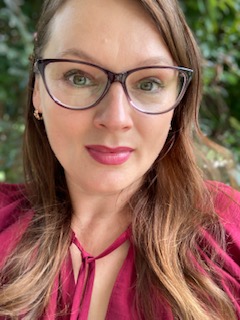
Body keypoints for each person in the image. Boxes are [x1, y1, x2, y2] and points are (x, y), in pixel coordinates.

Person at [0, 0, 239, 319]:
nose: (115, 118)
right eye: (78, 77)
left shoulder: (229, 233)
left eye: (149, 83)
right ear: (38, 92)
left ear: (176, 104)